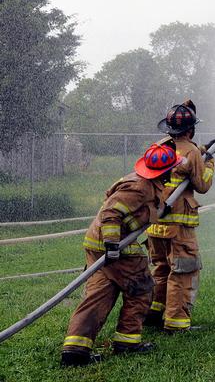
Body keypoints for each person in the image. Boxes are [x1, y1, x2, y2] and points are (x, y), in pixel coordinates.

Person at [61, 142, 181, 367]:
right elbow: (111, 212)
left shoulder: (144, 182)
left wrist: (159, 211)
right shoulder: (139, 187)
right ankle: (127, 342)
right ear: (164, 172)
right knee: (141, 288)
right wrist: (113, 244)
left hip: (96, 243)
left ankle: (75, 351)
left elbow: (138, 213)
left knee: (98, 295)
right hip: (115, 247)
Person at [145, 100, 215, 333]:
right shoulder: (191, 152)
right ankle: (176, 324)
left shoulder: (159, 147)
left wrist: (203, 150)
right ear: (190, 129)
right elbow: (202, 184)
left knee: (162, 268)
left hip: (155, 223)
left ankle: (154, 313)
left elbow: (178, 163)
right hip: (179, 225)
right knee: (183, 271)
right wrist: (210, 162)